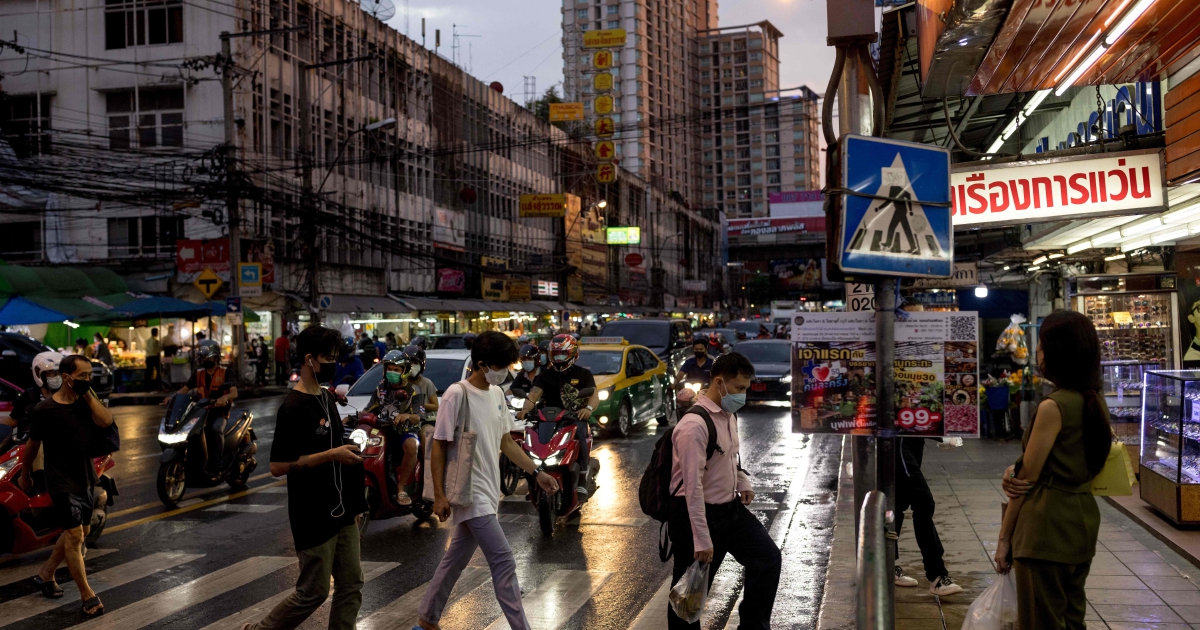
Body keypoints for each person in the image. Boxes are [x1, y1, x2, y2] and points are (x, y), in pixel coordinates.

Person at [415, 331, 560, 630]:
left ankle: (426, 620)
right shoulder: (457, 394)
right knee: (504, 561)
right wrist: (439, 495)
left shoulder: (496, 394)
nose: (504, 372)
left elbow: (506, 442)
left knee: (455, 559)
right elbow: (439, 444)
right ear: (481, 365)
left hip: (487, 491)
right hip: (470, 490)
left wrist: (537, 473)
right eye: (500, 366)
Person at [995, 310, 1113, 629]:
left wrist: (1004, 539)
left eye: (1041, 343)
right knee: (1072, 619)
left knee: (1040, 621)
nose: (1036, 351)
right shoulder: (1094, 401)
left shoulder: (1053, 406)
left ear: (1055, 351)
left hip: (1045, 528)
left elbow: (1025, 481)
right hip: (1082, 523)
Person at [244, 325, 366, 630]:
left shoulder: (326, 398)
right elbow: (278, 466)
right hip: (312, 514)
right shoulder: (292, 407)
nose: (333, 365)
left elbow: (335, 447)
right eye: (328, 358)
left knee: (352, 584)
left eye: (336, 358)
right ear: (310, 359)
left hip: (342, 511)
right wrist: (332, 455)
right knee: (313, 591)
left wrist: (353, 505)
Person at [668, 352, 780, 630]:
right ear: (719, 383)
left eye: (746, 389)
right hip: (696, 516)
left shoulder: (728, 415)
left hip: (729, 511)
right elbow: (692, 487)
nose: (743, 396)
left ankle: (753, 626)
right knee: (689, 595)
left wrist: (742, 481)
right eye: (739, 388)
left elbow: (728, 458)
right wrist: (702, 539)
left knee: (767, 559)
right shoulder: (694, 425)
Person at [18, 355, 114, 618]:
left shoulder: (86, 404)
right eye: (83, 376)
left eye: (90, 376)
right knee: (74, 537)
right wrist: (25, 475)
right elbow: (32, 445)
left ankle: (46, 573)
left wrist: (88, 394)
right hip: (60, 481)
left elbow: (106, 421)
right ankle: (87, 595)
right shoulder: (44, 410)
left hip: (85, 476)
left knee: (81, 531)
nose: (87, 380)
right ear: (67, 378)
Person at [517, 334, 599, 498]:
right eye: (555, 355)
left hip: (575, 419)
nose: (559, 358)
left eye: (562, 354)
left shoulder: (584, 374)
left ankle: (582, 477)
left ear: (573, 354)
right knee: (530, 441)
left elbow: (594, 396)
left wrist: (588, 409)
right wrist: (525, 409)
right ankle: (533, 480)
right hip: (549, 419)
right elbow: (533, 395)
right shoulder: (545, 375)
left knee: (581, 436)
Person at [893, 438, 962, 596]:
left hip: (912, 442)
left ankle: (885, 565)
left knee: (897, 502)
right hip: (898, 443)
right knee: (923, 502)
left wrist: (940, 434)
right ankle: (937, 575)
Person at [365, 351, 421, 506]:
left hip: (406, 430)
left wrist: (406, 416)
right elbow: (370, 408)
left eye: (396, 370)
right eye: (390, 369)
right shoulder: (381, 387)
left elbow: (418, 416)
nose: (392, 372)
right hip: (383, 429)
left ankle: (401, 487)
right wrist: (352, 417)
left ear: (404, 371)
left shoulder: (414, 390)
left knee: (412, 446)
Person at [171, 344, 238, 472]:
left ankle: (218, 464)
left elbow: (234, 392)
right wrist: (172, 397)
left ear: (216, 358)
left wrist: (224, 398)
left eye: (206, 357)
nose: (203, 360)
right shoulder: (198, 373)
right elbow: (185, 389)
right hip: (201, 412)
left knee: (216, 429)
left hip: (220, 413)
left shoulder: (226, 372)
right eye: (202, 357)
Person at [144, 328, 162, 392]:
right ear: (156, 333)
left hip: (148, 357)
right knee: (159, 370)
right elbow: (158, 351)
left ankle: (147, 387)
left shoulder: (147, 341)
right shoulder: (156, 341)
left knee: (149, 372)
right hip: (154, 357)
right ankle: (156, 384)